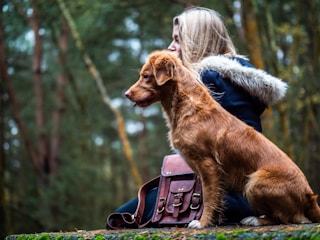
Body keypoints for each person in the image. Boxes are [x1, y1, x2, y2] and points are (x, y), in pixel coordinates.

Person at [110, 6, 287, 227]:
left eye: (177, 40)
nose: (170, 47)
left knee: (122, 219)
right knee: (129, 213)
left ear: (197, 41)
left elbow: (212, 161)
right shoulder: (227, 77)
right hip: (241, 193)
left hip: (228, 195)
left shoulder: (209, 80)